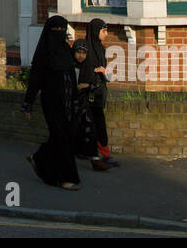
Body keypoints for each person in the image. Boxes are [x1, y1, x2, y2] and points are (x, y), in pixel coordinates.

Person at [20, 15, 81, 190]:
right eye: (56, 30)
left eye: (62, 30)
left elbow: (71, 76)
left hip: (68, 101)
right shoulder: (43, 53)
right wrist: (28, 104)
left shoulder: (66, 50)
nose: (59, 34)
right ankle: (65, 178)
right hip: (52, 102)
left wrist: (76, 100)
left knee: (64, 137)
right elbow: (35, 80)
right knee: (60, 137)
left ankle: (39, 158)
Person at [83, 18, 120, 168]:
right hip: (88, 93)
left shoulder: (101, 49)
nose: (106, 34)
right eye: (103, 31)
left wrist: (105, 72)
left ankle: (100, 153)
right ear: (95, 31)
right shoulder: (85, 49)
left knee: (98, 123)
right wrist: (95, 71)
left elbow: (105, 72)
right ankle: (102, 154)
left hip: (99, 93)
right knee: (93, 124)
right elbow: (80, 70)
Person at [71, 39, 109, 171]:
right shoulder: (71, 67)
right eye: (78, 52)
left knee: (90, 129)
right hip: (71, 104)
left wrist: (86, 85)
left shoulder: (88, 67)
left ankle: (94, 158)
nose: (81, 56)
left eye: (83, 53)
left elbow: (94, 84)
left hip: (84, 103)